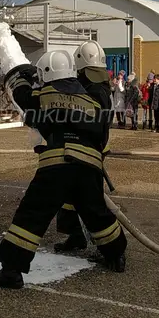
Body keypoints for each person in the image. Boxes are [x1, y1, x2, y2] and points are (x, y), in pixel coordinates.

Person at [0, 50, 127, 289]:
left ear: (45, 74)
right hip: (89, 165)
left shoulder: (43, 93)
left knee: (32, 214)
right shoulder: (90, 99)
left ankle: (11, 270)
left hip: (57, 164)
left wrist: (19, 76)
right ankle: (116, 255)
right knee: (97, 213)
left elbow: (22, 97)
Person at [54, 40, 113, 253]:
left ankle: (108, 249)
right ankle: (76, 236)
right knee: (70, 196)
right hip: (86, 147)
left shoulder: (93, 90)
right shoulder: (101, 86)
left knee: (92, 203)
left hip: (88, 149)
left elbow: (85, 118)